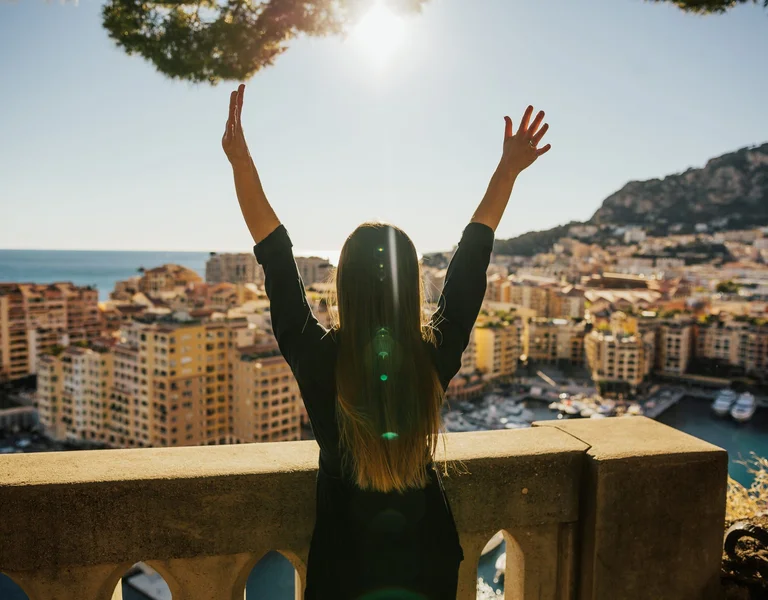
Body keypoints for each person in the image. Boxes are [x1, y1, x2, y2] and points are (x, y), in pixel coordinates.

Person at [222, 84, 551, 600]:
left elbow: (276, 258)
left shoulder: (316, 357)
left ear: (344, 285)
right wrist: (506, 171)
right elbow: (470, 263)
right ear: (411, 285)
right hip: (428, 560)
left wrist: (241, 163)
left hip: (343, 567)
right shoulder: (430, 354)